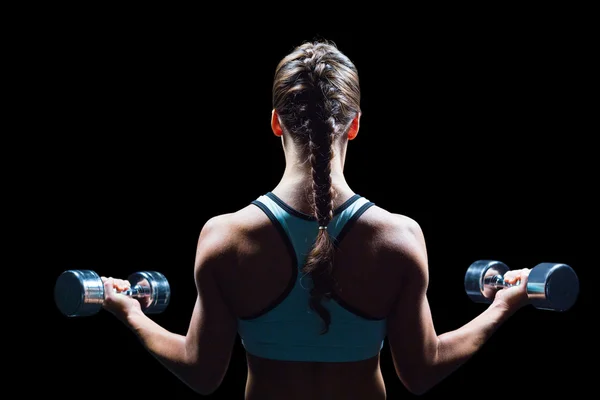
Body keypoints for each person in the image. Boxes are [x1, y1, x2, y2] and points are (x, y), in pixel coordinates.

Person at [100, 39, 531, 399]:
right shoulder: (399, 239)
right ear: (355, 125)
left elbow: (201, 372)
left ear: (275, 123)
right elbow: (421, 371)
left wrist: (129, 314)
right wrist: (503, 306)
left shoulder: (224, 239)